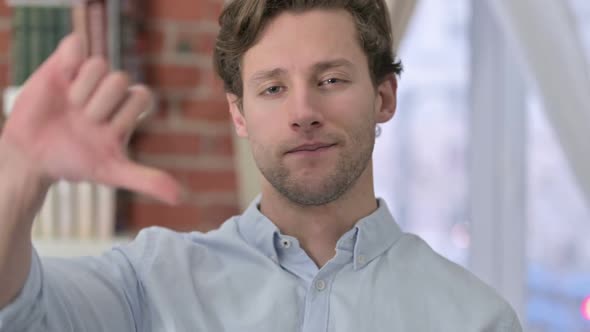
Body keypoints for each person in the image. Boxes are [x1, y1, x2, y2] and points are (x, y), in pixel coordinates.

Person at [0, 0, 522, 331]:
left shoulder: (476, 319)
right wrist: (18, 178)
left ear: (384, 96)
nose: (303, 114)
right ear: (239, 114)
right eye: (273, 88)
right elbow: (20, 314)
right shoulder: (148, 282)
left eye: (331, 80)